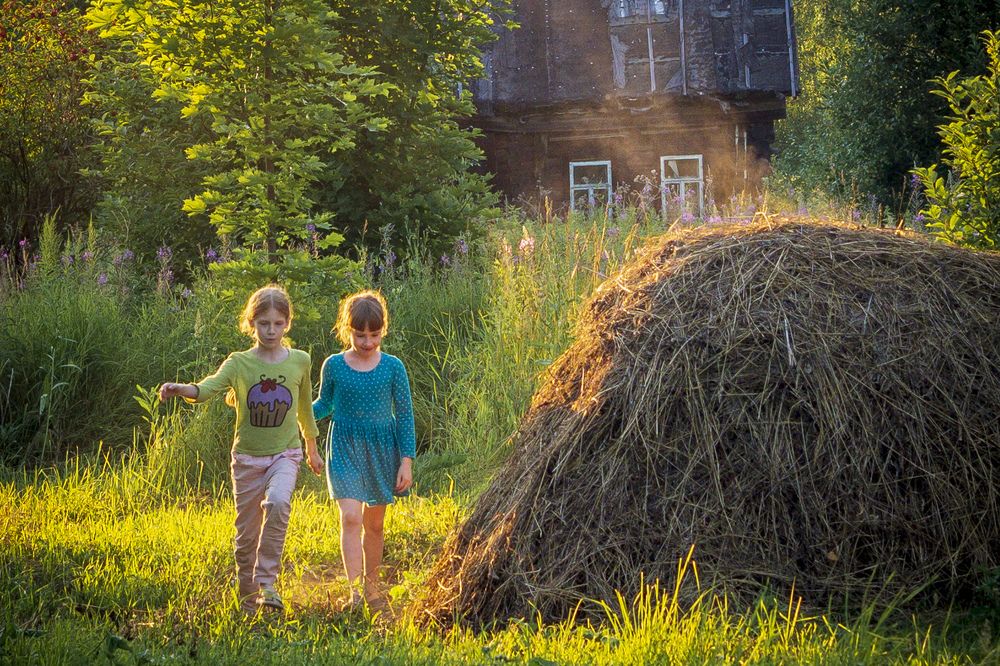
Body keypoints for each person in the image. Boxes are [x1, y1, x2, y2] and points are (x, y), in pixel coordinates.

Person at [159, 285, 323, 614]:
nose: (271, 331)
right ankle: (248, 601)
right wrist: (182, 389)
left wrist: (311, 448)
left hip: (285, 455)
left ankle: (267, 582)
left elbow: (305, 409)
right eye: (264, 324)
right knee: (246, 535)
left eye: (278, 323)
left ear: (288, 323)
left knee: (278, 503)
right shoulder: (239, 363)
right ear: (251, 324)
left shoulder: (300, 361)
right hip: (247, 460)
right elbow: (207, 389)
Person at [312, 290, 415, 611]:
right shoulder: (334, 366)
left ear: (383, 329)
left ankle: (373, 590)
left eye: (374, 334)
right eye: (360, 334)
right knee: (351, 518)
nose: (367, 341)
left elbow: (406, 415)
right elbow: (323, 405)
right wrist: (294, 411)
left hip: (383, 450)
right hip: (344, 446)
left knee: (374, 525)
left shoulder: (393, 367)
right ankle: (355, 593)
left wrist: (406, 461)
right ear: (347, 330)